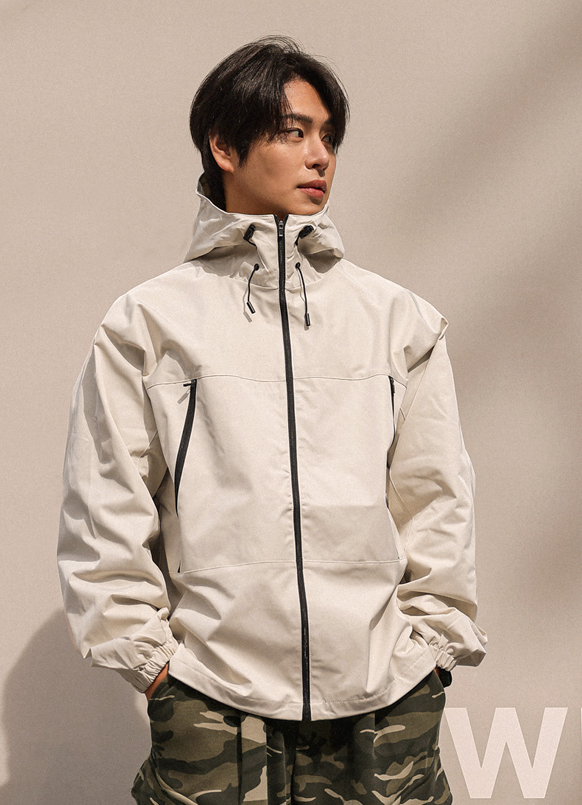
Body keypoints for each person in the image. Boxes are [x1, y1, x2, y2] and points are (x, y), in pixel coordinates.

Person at [58, 36, 487, 804]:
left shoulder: (400, 322)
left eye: (328, 136)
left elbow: (437, 500)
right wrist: (160, 671)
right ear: (224, 145)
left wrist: (430, 655)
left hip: (384, 700)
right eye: (293, 132)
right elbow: (104, 511)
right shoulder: (148, 324)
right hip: (212, 701)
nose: (319, 155)